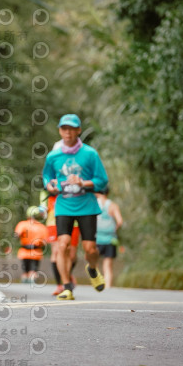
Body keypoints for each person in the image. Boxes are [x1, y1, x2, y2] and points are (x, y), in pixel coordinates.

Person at [42, 113, 109, 300]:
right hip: (64, 205)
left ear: (78, 130)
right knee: (62, 245)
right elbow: (46, 176)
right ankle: (66, 286)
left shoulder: (90, 154)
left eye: (72, 129)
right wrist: (49, 185)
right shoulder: (53, 156)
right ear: (60, 131)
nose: (68, 132)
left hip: (86, 205)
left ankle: (92, 268)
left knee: (90, 249)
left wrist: (83, 183)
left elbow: (102, 180)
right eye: (64, 128)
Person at [40, 190, 79, 295]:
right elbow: (42, 207)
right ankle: (60, 285)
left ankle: (67, 275)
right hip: (53, 223)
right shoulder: (46, 190)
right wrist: (41, 211)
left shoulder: (70, 186)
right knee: (56, 251)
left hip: (73, 222)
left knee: (71, 254)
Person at [95, 187, 123, 288]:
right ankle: (108, 286)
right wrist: (114, 229)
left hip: (96, 238)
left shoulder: (94, 204)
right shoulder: (113, 205)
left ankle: (97, 283)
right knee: (107, 265)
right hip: (110, 238)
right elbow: (120, 221)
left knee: (94, 263)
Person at [14, 206, 48, 283]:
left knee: (25, 272)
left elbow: (17, 235)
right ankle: (31, 278)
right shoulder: (42, 227)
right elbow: (45, 241)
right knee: (33, 271)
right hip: (36, 252)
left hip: (24, 252)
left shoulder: (22, 224)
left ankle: (26, 279)